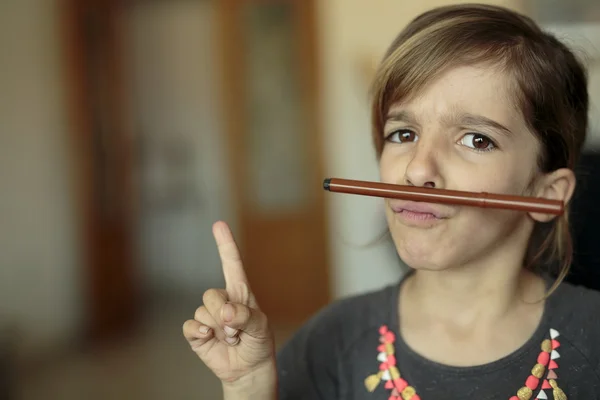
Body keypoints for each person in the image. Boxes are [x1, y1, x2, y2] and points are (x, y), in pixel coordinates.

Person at [183, 4, 600, 399]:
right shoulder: (331, 338)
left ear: (547, 196)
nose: (417, 170)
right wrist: (250, 387)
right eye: (403, 134)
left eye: (476, 139)